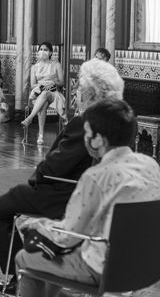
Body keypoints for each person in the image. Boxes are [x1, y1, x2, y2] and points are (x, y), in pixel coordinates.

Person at [0, 59, 125, 295]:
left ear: (89, 94)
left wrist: (36, 178)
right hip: (94, 195)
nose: (76, 94)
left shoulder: (84, 122)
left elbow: (55, 167)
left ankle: (20, 277)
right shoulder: (119, 123)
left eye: (79, 89)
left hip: (63, 192)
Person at [15, 98, 160, 297]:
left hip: (102, 268)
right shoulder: (151, 165)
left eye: (87, 132)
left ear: (98, 139)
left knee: (26, 257)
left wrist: (40, 226)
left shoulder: (96, 176)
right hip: (145, 265)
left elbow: (68, 236)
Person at [21, 41, 65, 145]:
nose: (42, 51)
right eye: (41, 49)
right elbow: (32, 85)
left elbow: (62, 82)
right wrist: (43, 85)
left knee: (45, 94)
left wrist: (53, 81)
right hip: (38, 92)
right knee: (43, 103)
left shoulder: (56, 65)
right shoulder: (34, 67)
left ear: (50, 53)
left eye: (45, 50)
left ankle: (30, 118)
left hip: (54, 93)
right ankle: (40, 135)